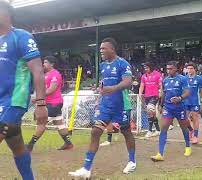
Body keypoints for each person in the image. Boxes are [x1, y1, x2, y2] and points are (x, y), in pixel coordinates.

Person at [69, 38, 136, 178]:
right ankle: (86, 169)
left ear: (112, 49)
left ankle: (132, 161)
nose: (101, 51)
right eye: (100, 49)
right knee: (95, 132)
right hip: (106, 105)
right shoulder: (103, 65)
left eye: (103, 48)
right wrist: (100, 96)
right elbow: (104, 84)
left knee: (126, 132)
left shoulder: (122, 63)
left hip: (121, 105)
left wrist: (114, 88)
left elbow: (128, 82)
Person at [0, 1, 48, 179]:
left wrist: (41, 103)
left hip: (14, 100)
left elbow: (37, 70)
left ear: (5, 13)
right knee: (17, 144)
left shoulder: (21, 36)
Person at [27, 56, 73, 151]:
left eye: (45, 62)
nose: (43, 64)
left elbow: (51, 90)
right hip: (50, 103)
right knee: (59, 123)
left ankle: (30, 145)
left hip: (54, 103)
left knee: (41, 123)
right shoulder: (45, 74)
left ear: (52, 64)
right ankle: (68, 143)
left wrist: (38, 97)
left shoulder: (55, 74)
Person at [150, 61, 191, 161]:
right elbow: (163, 93)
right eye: (167, 69)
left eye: (171, 69)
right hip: (168, 107)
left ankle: (188, 146)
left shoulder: (182, 78)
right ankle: (160, 153)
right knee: (163, 128)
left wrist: (180, 98)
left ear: (176, 69)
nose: (168, 71)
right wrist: (161, 104)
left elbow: (187, 92)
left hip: (180, 107)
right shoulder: (165, 80)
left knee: (184, 127)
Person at [138, 62, 162, 138]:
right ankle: (158, 130)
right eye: (145, 68)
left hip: (154, 95)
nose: (146, 69)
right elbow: (142, 85)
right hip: (147, 96)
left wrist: (161, 92)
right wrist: (140, 94)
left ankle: (150, 130)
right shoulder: (143, 76)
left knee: (150, 109)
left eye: (147, 68)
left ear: (151, 67)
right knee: (151, 113)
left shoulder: (157, 74)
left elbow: (161, 85)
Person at [184, 62, 202, 144]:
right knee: (184, 120)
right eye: (188, 68)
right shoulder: (184, 79)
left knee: (195, 117)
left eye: (191, 68)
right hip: (185, 102)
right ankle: (191, 130)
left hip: (195, 102)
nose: (189, 70)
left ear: (194, 69)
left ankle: (195, 136)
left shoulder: (199, 79)